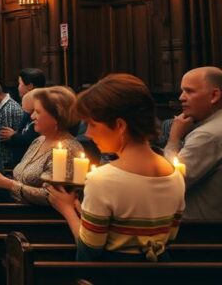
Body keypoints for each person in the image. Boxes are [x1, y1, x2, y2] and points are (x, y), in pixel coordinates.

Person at [47, 74, 185, 262]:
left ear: (120, 125)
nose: (87, 133)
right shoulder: (174, 172)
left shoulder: (104, 179)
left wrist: (67, 210)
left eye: (92, 124)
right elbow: (168, 238)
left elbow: (88, 252)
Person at [0, 87, 83, 205]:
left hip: (35, 218)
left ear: (56, 117)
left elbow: (53, 197)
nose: (32, 117)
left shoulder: (69, 149)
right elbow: (20, 178)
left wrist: (8, 184)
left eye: (38, 112)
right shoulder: (39, 140)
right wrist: (0, 180)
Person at [164, 66, 222, 221]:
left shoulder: (207, 135)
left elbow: (167, 184)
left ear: (214, 95)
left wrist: (174, 138)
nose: (181, 97)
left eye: (189, 91)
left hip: (197, 232)